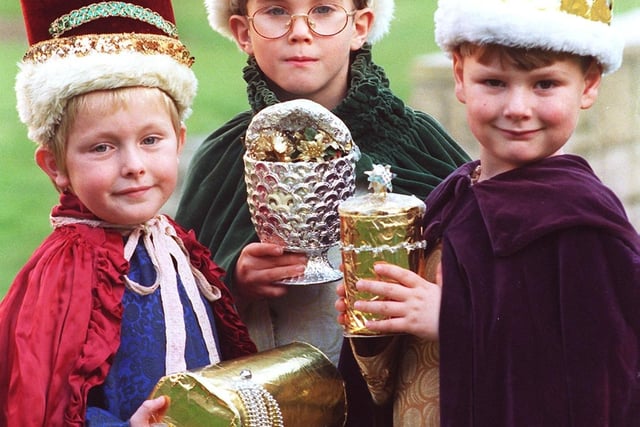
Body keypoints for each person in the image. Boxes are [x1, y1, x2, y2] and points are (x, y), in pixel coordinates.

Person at [337, 0, 640, 425]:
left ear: (589, 85)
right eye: (494, 82)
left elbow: (600, 378)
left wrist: (456, 319)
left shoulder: (583, 225)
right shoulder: (452, 196)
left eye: (545, 84)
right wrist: (382, 316)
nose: (517, 107)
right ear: (460, 76)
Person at [175, 0, 469, 424]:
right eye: (276, 10)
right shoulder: (224, 157)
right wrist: (234, 280)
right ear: (242, 32)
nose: (300, 30)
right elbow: (180, 291)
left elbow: (477, 270)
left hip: (395, 401)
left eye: (323, 9)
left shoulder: (417, 142)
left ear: (360, 26)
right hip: (270, 402)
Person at [0, 1, 256, 426]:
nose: (134, 164)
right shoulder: (72, 267)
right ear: (55, 167)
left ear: (179, 140)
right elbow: (46, 402)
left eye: (151, 139)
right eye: (102, 147)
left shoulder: (171, 242)